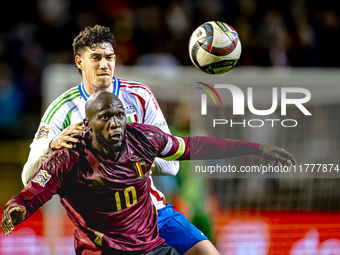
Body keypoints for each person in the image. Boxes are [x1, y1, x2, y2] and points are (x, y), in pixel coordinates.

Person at [2, 91, 296, 255]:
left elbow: (195, 146)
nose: (116, 123)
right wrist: (17, 206)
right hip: (103, 249)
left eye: (119, 116)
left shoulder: (143, 137)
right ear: (88, 125)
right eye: (106, 117)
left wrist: (255, 148)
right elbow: (35, 189)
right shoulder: (69, 156)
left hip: (147, 244)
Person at [20, 24, 218, 255]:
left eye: (109, 57)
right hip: (101, 229)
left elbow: (172, 164)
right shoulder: (62, 111)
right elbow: (28, 177)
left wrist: (137, 163)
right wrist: (51, 146)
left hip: (153, 212)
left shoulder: (140, 96)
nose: (104, 64)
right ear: (79, 61)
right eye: (95, 57)